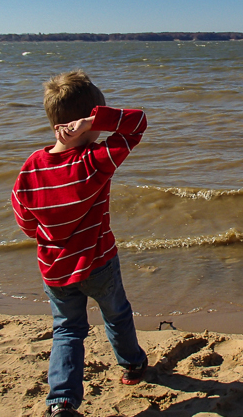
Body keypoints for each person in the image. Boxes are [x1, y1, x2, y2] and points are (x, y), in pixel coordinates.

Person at [11, 70, 148, 417]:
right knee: (116, 314)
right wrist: (94, 121)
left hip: (54, 268)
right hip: (98, 261)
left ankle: (62, 401)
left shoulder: (31, 167)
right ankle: (132, 364)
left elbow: (26, 222)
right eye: (93, 119)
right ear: (85, 122)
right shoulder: (94, 162)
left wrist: (50, 232)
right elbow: (138, 124)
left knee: (67, 330)